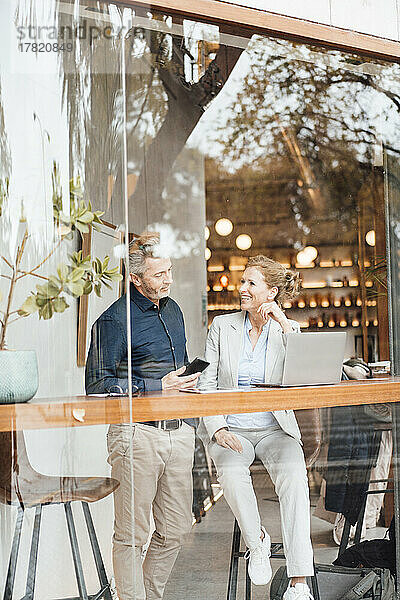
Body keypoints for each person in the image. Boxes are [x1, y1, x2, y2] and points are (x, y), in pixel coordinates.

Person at [85, 232, 201, 600]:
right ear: (135, 279)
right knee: (131, 535)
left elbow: (174, 372)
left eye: (169, 271)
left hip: (178, 433)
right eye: (158, 275)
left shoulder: (173, 309)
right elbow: (98, 384)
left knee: (176, 528)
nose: (168, 280)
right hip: (135, 435)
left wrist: (185, 383)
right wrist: (155, 384)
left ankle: (148, 595)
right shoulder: (114, 320)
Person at [197, 255, 314, 600]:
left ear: (271, 293)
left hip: (274, 429)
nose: (242, 288)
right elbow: (207, 383)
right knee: (231, 473)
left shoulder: (286, 331)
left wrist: (283, 322)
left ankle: (299, 581)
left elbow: (305, 373)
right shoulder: (222, 326)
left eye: (251, 283)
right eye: (243, 281)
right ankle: (257, 543)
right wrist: (217, 429)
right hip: (231, 428)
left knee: (294, 475)